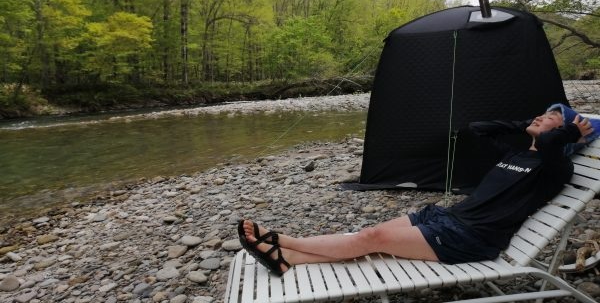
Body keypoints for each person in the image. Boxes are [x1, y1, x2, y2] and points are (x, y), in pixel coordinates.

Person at [238, 103, 598, 276]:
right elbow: (478, 128)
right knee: (367, 235)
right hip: (446, 218)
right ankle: (288, 260)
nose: (539, 116)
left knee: (373, 236)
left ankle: (283, 241)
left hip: (473, 238)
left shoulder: (556, 167)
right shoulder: (518, 152)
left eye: (550, 116)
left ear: (568, 132)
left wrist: (569, 134)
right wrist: (527, 125)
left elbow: (554, 149)